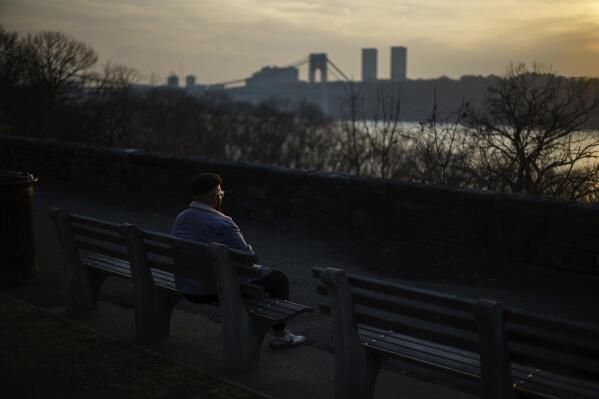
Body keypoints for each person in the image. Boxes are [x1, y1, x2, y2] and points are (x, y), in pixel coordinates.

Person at [171, 172, 305, 348]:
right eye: (220, 193)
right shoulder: (223, 223)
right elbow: (248, 261)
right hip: (211, 290)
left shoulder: (181, 217)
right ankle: (280, 333)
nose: (221, 196)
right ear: (214, 196)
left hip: (186, 286)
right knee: (279, 278)